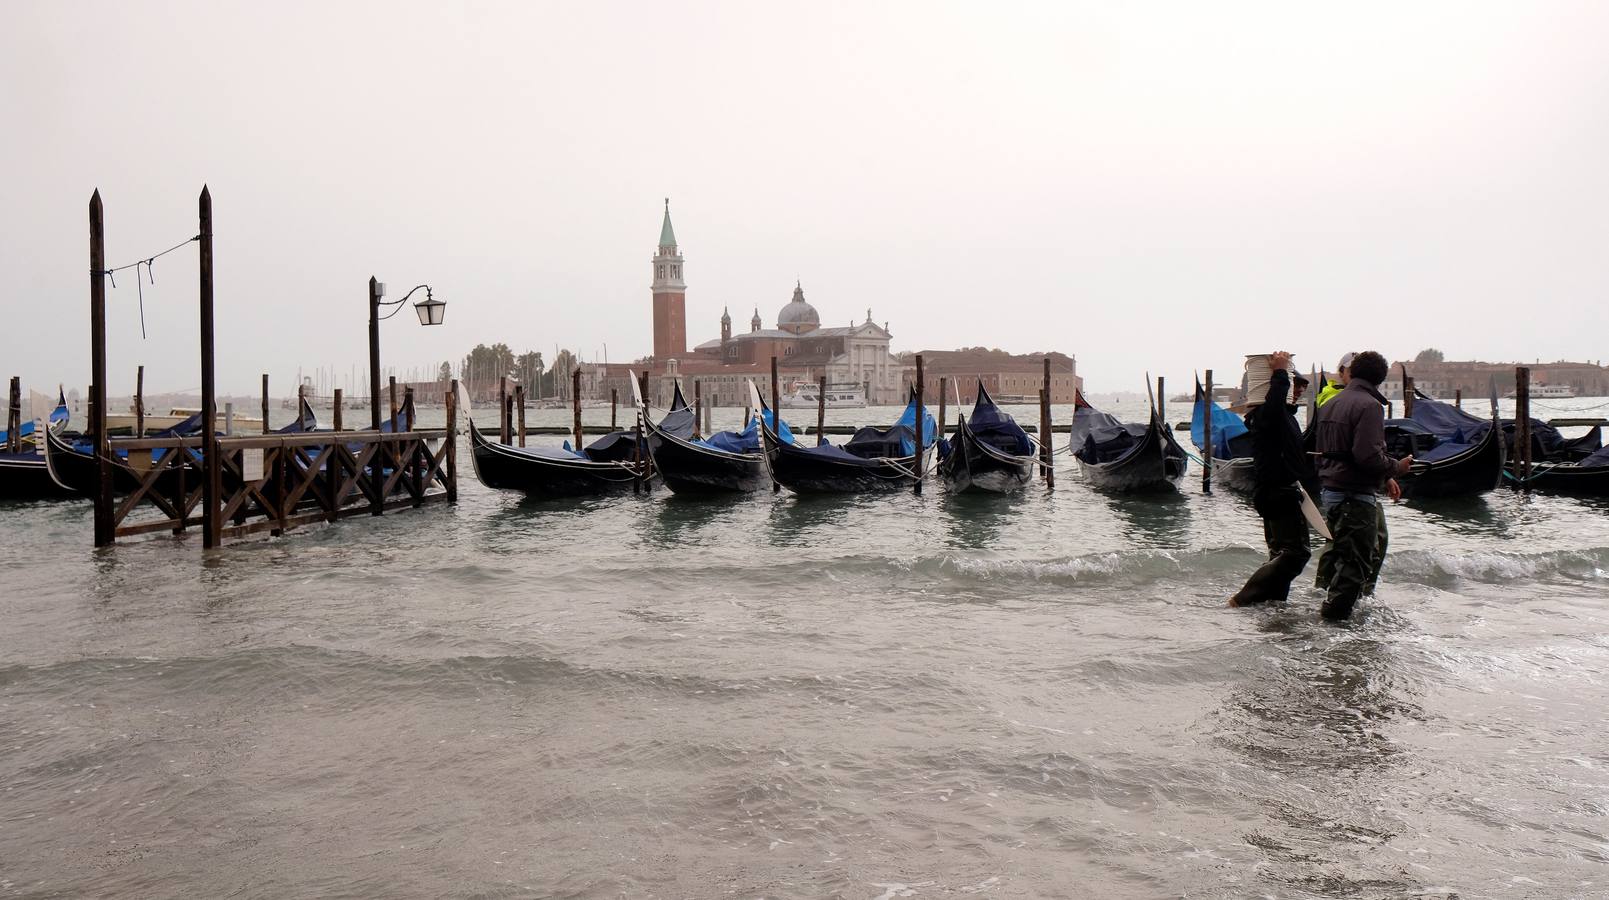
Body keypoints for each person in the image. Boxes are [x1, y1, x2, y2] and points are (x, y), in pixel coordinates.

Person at [1314, 350, 1412, 621]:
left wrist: (1386, 473)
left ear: (1352, 372)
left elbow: (1329, 451)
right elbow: (1367, 456)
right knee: (1355, 564)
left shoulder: (1332, 403)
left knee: (1341, 557)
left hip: (1331, 492)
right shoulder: (1369, 406)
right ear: (1380, 378)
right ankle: (1334, 625)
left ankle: (1331, 612)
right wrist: (1397, 467)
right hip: (1354, 495)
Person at [1229, 352, 1318, 608]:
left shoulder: (1283, 416)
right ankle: (1241, 600)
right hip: (1277, 493)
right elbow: (1274, 405)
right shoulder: (1265, 415)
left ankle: (1272, 605)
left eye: (1301, 384)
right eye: (1295, 383)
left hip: (1281, 492)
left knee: (1281, 555)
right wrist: (1279, 373)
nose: (1300, 388)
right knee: (1296, 554)